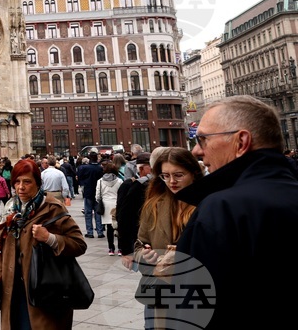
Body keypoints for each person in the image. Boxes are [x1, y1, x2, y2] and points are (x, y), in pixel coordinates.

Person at [173, 96, 298, 330]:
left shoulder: (222, 209)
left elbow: (195, 313)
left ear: (241, 142)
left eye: (203, 140)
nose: (197, 151)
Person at [0, 158, 87, 330]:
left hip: (44, 290)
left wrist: (49, 237)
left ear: (38, 183)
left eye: (27, 182)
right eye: (17, 182)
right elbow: (1, 249)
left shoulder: (52, 208)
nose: (21, 187)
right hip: (13, 289)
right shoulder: (10, 208)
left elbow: (79, 244)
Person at [132, 147, 201, 329]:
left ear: (194, 173)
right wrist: (145, 256)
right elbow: (139, 244)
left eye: (178, 175)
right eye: (165, 176)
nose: (172, 181)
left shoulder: (208, 204)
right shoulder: (154, 205)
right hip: (161, 292)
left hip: (196, 292)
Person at [117, 151, 152, 269]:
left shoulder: (159, 183)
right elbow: (123, 217)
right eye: (151, 167)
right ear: (141, 169)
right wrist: (126, 250)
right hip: (138, 238)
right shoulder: (131, 185)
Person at [95, 161, 123, 255]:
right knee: (119, 228)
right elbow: (122, 194)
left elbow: (97, 196)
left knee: (109, 229)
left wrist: (101, 202)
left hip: (106, 206)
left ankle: (111, 248)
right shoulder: (119, 181)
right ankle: (120, 248)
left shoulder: (100, 181)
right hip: (117, 205)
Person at [76, 151, 104, 238]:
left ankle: (90, 231)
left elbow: (79, 177)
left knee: (88, 213)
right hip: (98, 191)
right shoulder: (100, 168)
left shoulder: (84, 168)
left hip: (88, 191)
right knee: (98, 212)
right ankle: (100, 231)